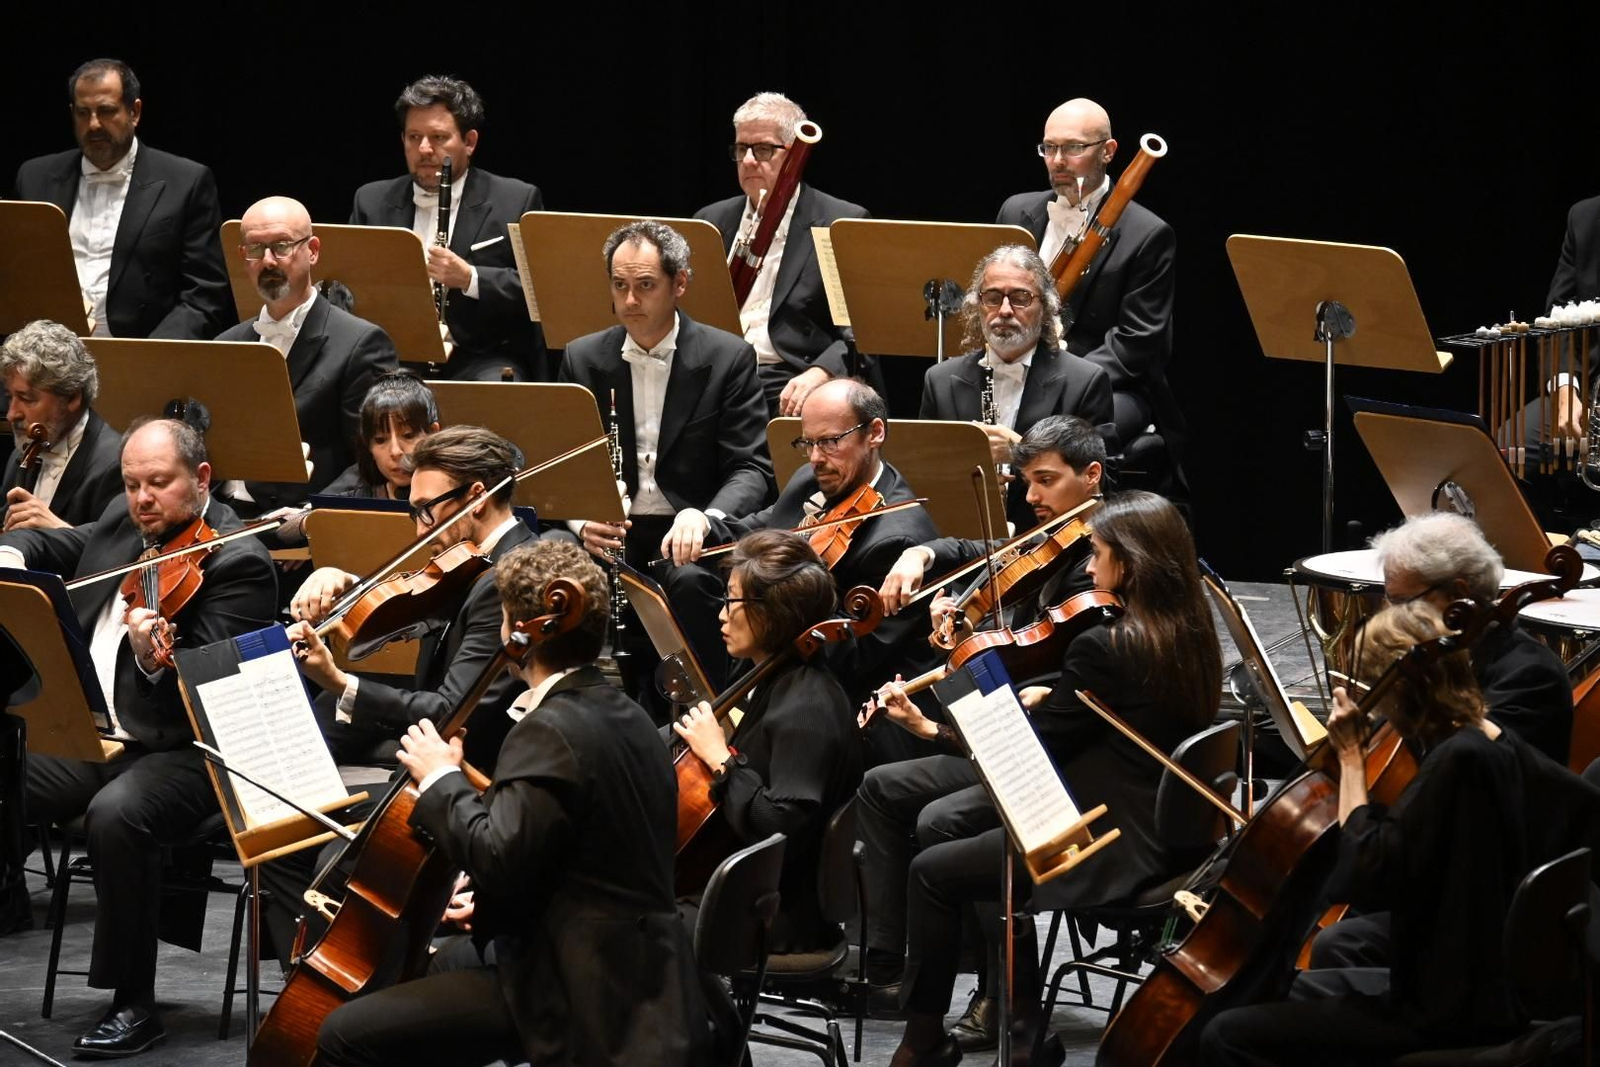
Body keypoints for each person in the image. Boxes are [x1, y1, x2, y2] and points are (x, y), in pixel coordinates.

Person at [314, 539, 706, 1066]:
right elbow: (564, 843)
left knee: (344, 1034)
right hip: (640, 966)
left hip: (570, 984)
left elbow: (499, 858)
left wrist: (440, 779)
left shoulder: (547, 729)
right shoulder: (626, 712)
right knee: (429, 974)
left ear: (520, 630)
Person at [871, 490, 1220, 1064]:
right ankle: (1024, 1025)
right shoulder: (1190, 633)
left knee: (932, 871)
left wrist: (930, 729)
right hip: (1165, 828)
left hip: (1101, 838)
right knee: (967, 844)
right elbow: (1108, 720)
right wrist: (1060, 700)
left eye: (1100, 553)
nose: (1088, 566)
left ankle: (925, 1040)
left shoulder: (1104, 646)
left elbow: (1030, 758)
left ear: (1129, 564)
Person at [1199, 601, 1600, 1065]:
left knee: (1228, 1033)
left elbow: (1361, 874)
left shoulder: (1455, 763)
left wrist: (1351, 758)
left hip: (1440, 1008)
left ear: (1403, 688)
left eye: (1376, 688)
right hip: (1480, 982)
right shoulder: (1492, 740)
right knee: (1289, 984)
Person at [0, 418, 277, 1058]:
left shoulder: (239, 563)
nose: (143, 498)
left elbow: (193, 711)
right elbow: (64, 545)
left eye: (159, 483)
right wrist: (14, 551)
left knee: (119, 815)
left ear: (201, 479)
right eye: (132, 484)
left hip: (190, 748)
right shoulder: (131, 523)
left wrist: (151, 660)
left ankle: (134, 1004)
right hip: (104, 734)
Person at [858, 414, 1107, 1044]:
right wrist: (925, 551)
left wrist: (971, 636)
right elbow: (983, 555)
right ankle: (890, 967)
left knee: (940, 821)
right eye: (1026, 482)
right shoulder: (1045, 536)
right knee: (880, 787)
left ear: (1093, 476)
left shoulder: (1100, 566)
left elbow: (1036, 657)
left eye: (1046, 481)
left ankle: (1001, 991)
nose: (1032, 498)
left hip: (1040, 744)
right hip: (1007, 727)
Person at [559, 219, 774, 706]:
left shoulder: (728, 357)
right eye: (620, 286)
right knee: (542, 564)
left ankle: (704, 719)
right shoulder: (581, 357)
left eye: (645, 286)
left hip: (688, 536)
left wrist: (705, 516)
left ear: (679, 285)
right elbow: (560, 463)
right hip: (610, 531)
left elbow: (752, 468)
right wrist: (579, 520)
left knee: (694, 584)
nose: (630, 301)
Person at [703, 379, 940, 748]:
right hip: (785, 672)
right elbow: (764, 526)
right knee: (690, 578)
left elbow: (855, 658)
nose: (815, 457)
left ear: (874, 433)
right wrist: (703, 523)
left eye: (830, 441)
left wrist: (774, 616)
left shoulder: (898, 539)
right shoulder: (816, 477)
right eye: (807, 443)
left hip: (849, 712)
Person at [674, 529, 863, 951]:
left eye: (731, 602)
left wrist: (722, 760)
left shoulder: (807, 706)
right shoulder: (770, 676)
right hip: (745, 891)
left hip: (771, 912)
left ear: (772, 612)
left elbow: (781, 825)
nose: (721, 615)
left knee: (626, 923)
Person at [997, 98, 1181, 482]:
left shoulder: (1147, 234)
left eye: (1074, 148)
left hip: (1107, 383)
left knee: (1059, 431)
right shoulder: (1016, 213)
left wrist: (1062, 378)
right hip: (1019, 367)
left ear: (1108, 152)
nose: (1058, 160)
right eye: (1049, 148)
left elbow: (1138, 344)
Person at [12, 58, 231, 340]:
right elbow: (17, 280)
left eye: (106, 111)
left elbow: (205, 295)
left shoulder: (187, 181)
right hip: (48, 358)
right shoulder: (34, 177)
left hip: (144, 356)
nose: (93, 125)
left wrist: (148, 357)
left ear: (134, 111)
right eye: (82, 113)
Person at [350, 75, 545, 381]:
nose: (424, 149)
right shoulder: (371, 201)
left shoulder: (515, 199)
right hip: (395, 353)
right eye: (414, 137)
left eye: (438, 137)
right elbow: (349, 286)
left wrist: (469, 277)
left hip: (482, 356)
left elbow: (538, 291)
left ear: (469, 142)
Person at [214, 196, 398, 516]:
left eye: (282, 246)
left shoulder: (362, 343)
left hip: (298, 520)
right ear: (243, 257)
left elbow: (370, 458)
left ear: (312, 250)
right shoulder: (226, 344)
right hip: (223, 520)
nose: (268, 261)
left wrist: (309, 516)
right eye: (255, 249)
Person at [694, 91, 873, 415]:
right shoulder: (709, 222)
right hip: (719, 372)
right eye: (741, 149)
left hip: (792, 374)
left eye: (762, 148)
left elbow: (864, 328)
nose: (748, 160)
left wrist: (821, 372)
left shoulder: (839, 222)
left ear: (794, 155)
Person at [920, 247, 1114, 533]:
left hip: (1050, 546)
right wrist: (964, 479)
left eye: (1021, 298)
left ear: (1046, 307)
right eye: (993, 298)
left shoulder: (1085, 381)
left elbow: (1106, 484)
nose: (1005, 311)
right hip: (964, 543)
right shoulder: (939, 380)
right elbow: (921, 475)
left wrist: (1021, 451)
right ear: (977, 306)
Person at [1371, 512, 1572, 763]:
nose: (1391, 615)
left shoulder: (1531, 675)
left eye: (1403, 602)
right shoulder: (1433, 657)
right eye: (1391, 599)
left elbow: (1468, 772)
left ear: (1458, 593)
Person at [0, 320, 122, 530]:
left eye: (27, 399)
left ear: (72, 397)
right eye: (10, 397)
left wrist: (59, 531)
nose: (11, 414)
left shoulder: (115, 465)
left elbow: (120, 555)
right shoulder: (22, 453)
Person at [321, 371, 442, 501]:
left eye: (408, 435)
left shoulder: (457, 488)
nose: (395, 451)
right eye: (380, 440)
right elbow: (302, 516)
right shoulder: (356, 490)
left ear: (433, 433)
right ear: (368, 444)